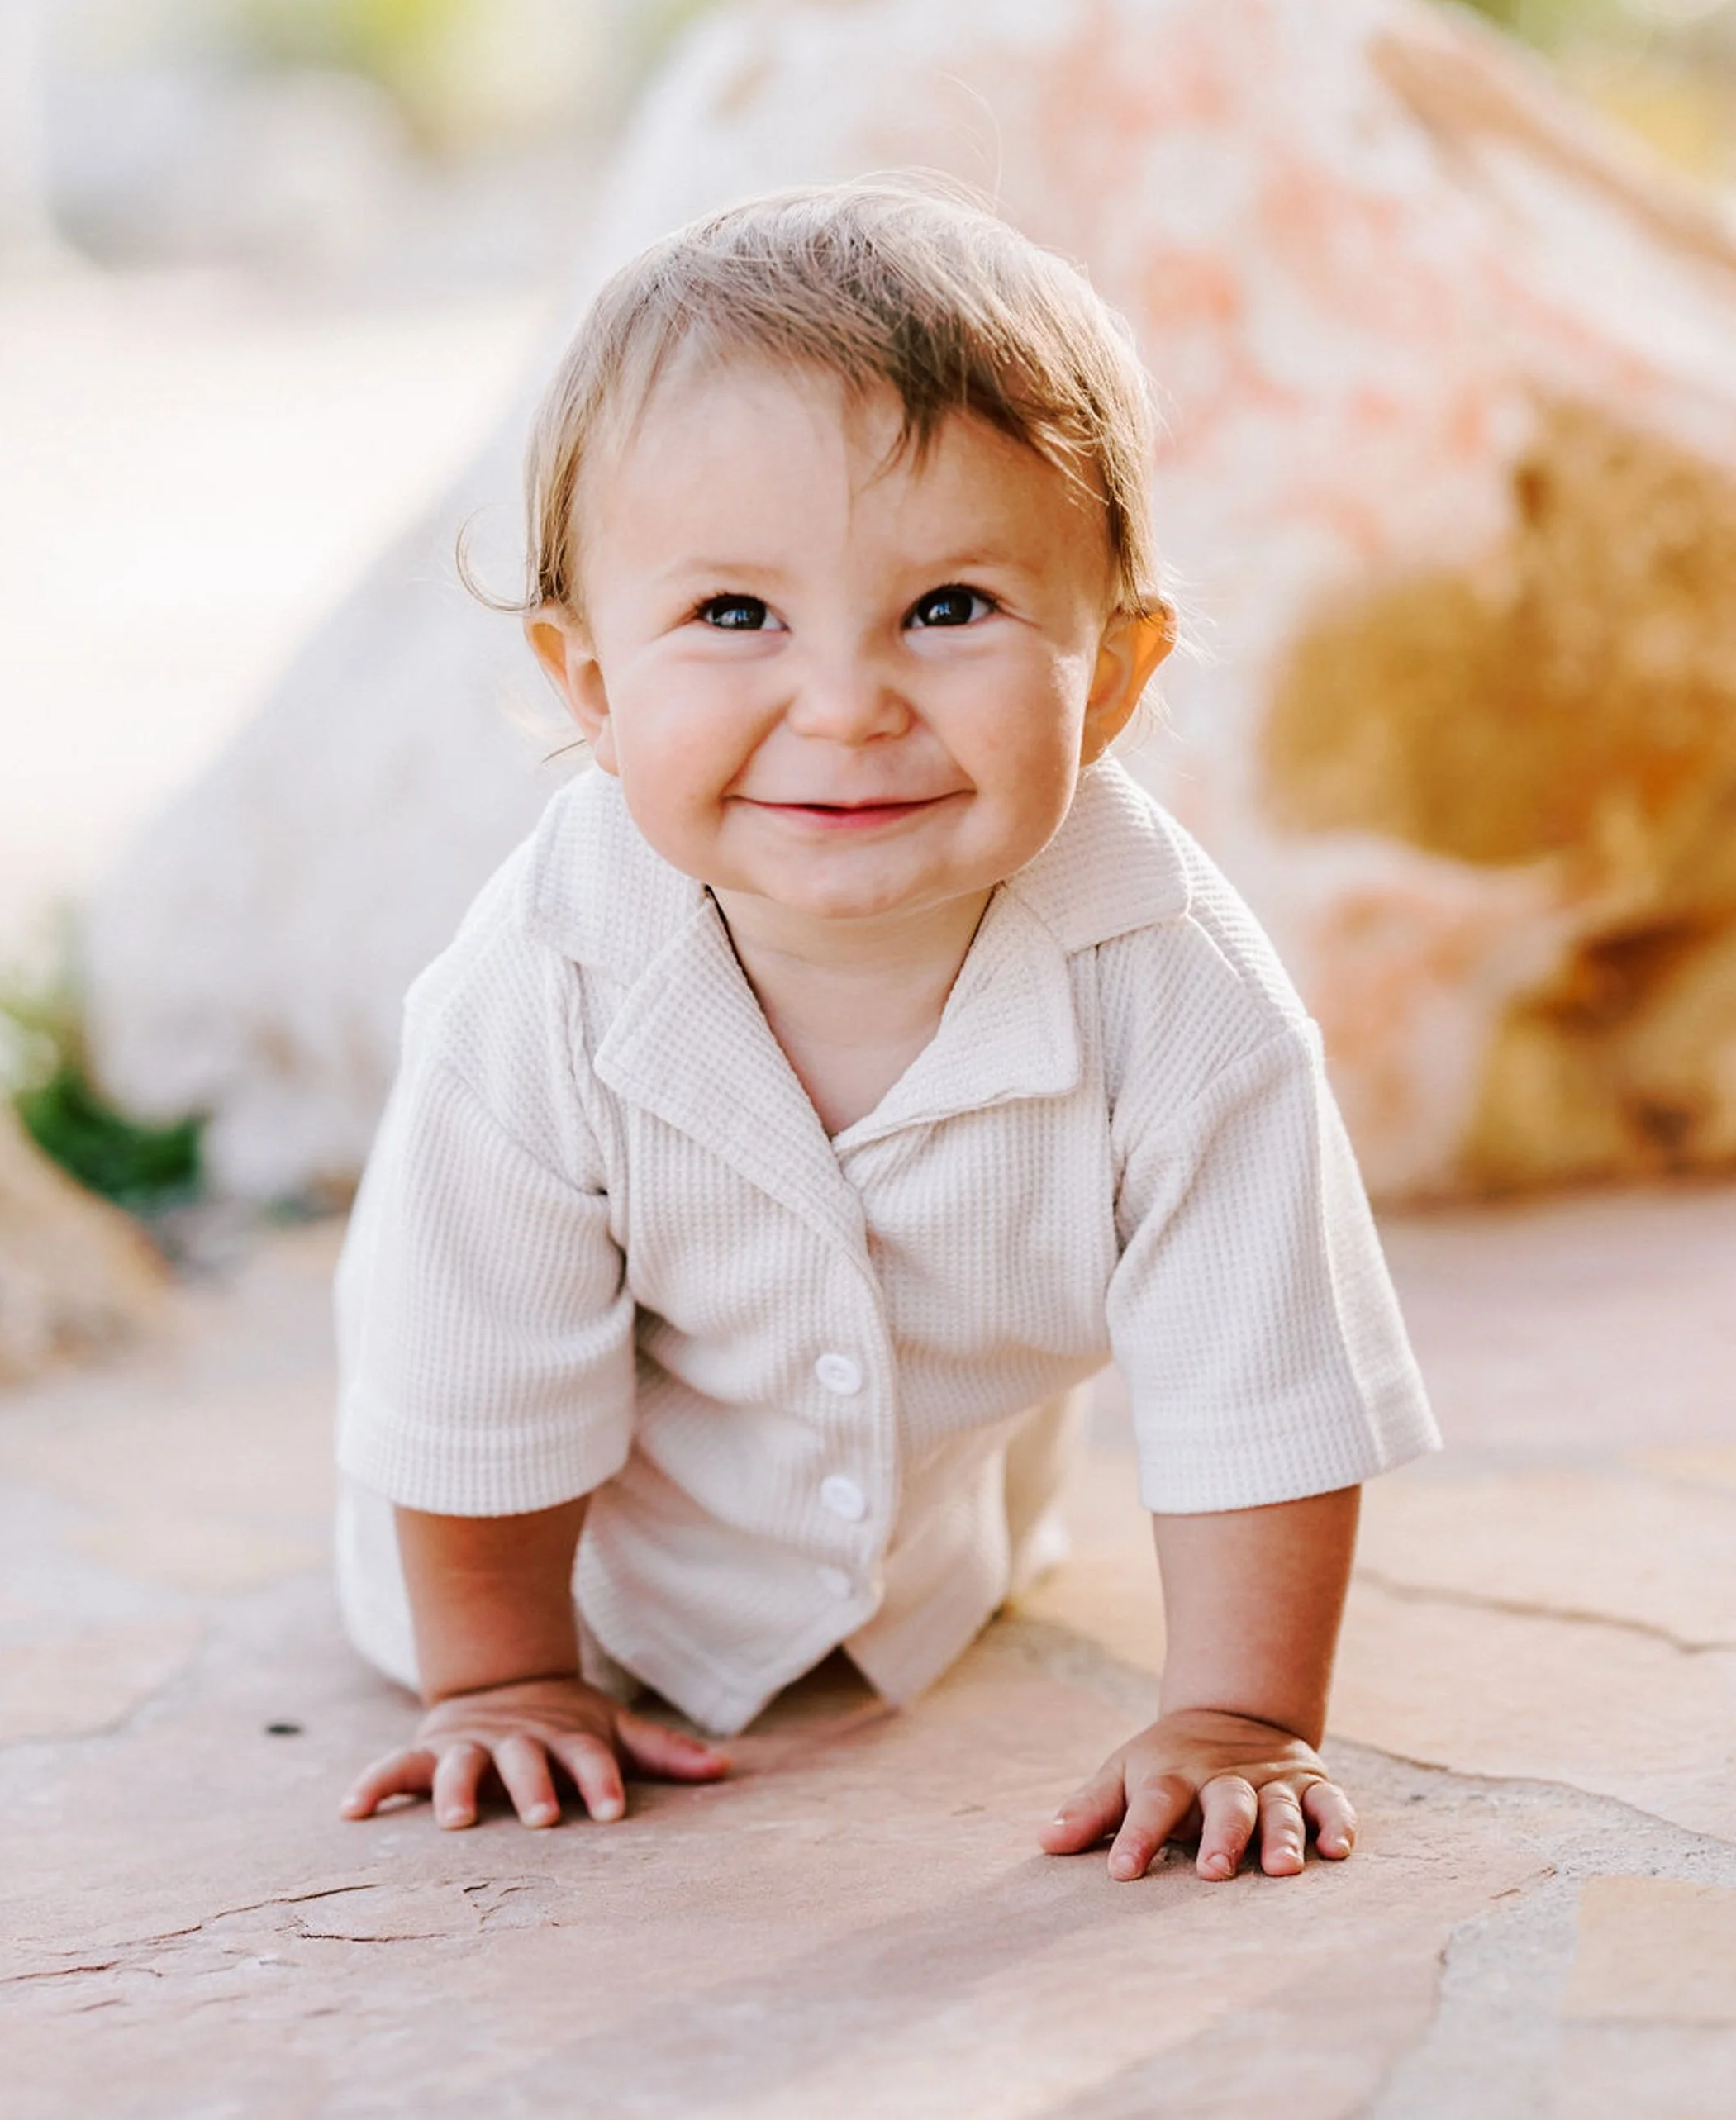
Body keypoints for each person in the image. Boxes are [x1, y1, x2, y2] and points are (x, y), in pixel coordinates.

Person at [335, 178, 1438, 1884]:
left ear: (1118, 675)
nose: (844, 703)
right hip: (566, 1570)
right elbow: (461, 1353)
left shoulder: (1175, 990)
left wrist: (1238, 1714)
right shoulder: (542, 982)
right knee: (488, 1491)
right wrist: (502, 1670)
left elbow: (1263, 1375)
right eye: (731, 616)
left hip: (935, 1548)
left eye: (947, 609)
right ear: (591, 686)